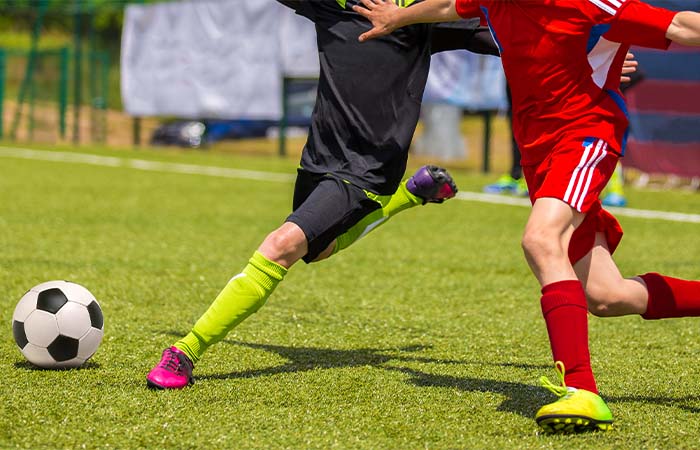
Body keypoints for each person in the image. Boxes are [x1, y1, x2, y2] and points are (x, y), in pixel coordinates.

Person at [355, 0, 700, 434]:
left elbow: (684, 24)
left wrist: (609, 52)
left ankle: (581, 390)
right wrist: (395, 16)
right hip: (538, 152)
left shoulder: (588, 4)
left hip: (586, 134)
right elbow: (447, 5)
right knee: (608, 296)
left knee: (541, 239)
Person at [145, 0, 503, 390]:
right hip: (318, 159)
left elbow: (515, 29)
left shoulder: (422, 15)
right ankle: (412, 194)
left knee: (281, 245)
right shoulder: (336, 5)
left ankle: (185, 352)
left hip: (367, 169)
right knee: (316, 250)